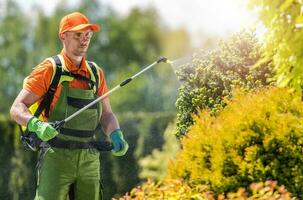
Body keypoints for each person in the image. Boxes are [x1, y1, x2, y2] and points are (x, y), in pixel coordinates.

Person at [10, 12, 128, 200]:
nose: (84, 41)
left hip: (89, 158)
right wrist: (36, 125)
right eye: (78, 35)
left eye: (87, 35)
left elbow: (107, 114)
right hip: (56, 157)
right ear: (63, 36)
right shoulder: (50, 69)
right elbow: (16, 108)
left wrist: (116, 133)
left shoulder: (96, 73)